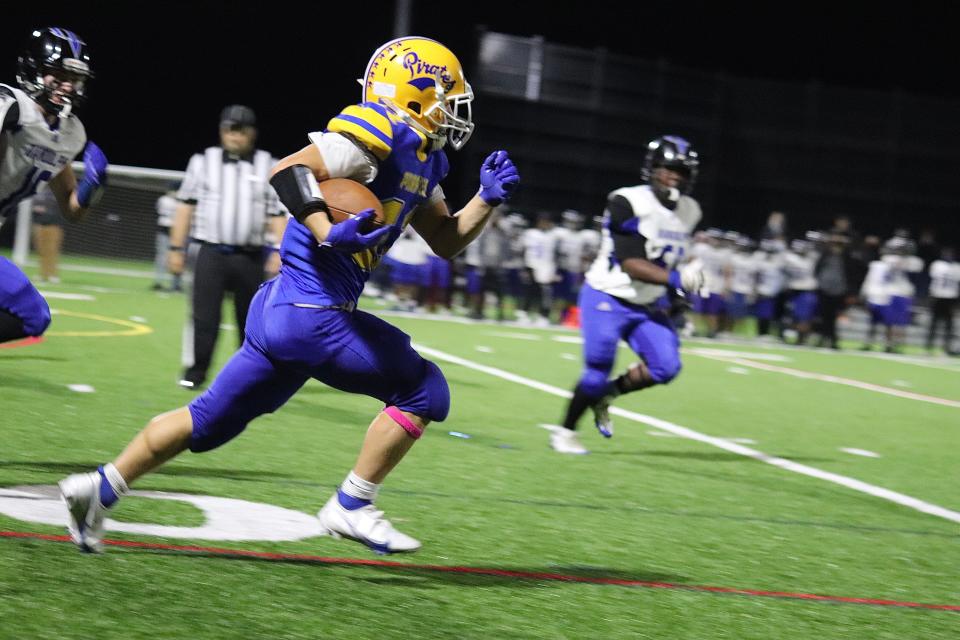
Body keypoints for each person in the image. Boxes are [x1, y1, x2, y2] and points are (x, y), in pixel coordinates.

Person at [59, 36, 519, 555]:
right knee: (424, 390)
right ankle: (351, 504)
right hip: (310, 311)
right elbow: (288, 169)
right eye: (446, 94)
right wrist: (326, 229)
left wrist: (486, 200)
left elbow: (446, 240)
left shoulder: (427, 160)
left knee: (208, 422)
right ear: (412, 91)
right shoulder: (378, 128)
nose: (455, 110)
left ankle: (97, 489)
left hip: (284, 310)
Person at [551, 135, 703, 454]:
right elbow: (632, 263)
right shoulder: (627, 201)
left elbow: (674, 255)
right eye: (667, 168)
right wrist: (678, 279)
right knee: (595, 371)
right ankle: (565, 432)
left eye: (681, 171)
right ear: (652, 169)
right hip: (607, 295)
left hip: (646, 303)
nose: (674, 176)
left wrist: (679, 299)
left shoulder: (691, 210)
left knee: (666, 366)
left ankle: (608, 395)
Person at [168, 105, 288, 389]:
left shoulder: (268, 163)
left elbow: (277, 213)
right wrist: (175, 248)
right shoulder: (202, 161)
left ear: (252, 133)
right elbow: (185, 206)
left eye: (241, 130)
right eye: (230, 129)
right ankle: (196, 372)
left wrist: (280, 251)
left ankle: (246, 376)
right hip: (211, 252)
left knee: (250, 322)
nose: (235, 136)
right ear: (222, 131)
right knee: (204, 317)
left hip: (251, 256)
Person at [0, 27, 107, 344]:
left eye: (73, 78)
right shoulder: (11, 104)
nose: (67, 85)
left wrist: (93, 186)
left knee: (34, 317)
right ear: (34, 69)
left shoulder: (72, 133)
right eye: (57, 74)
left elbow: (72, 210)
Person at [926, 246, 959, 355]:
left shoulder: (939, 265)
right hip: (942, 296)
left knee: (946, 324)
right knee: (936, 323)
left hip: (945, 296)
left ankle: (942, 347)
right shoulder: (953, 266)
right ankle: (930, 346)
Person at [30, 186, 65, 283]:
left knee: (52, 251)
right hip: (39, 225)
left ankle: (53, 275)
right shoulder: (39, 194)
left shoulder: (60, 195)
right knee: (41, 251)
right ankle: (42, 274)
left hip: (54, 226)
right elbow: (34, 208)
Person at [152, 182, 182, 292]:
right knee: (162, 256)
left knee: (177, 257)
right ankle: (159, 282)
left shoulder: (178, 200)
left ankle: (176, 284)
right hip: (165, 230)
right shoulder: (165, 200)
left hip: (177, 232)